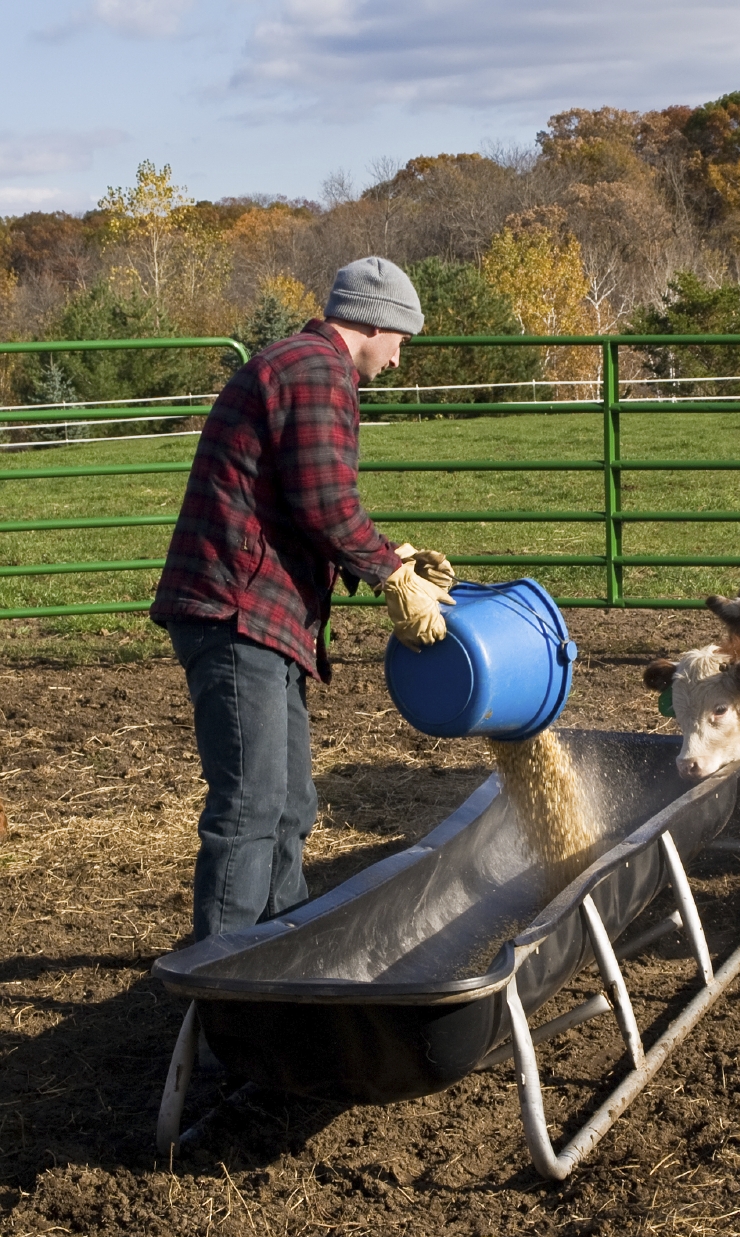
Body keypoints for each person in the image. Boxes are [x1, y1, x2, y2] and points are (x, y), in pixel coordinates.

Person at [151, 256, 454, 943]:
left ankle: (280, 965)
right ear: (374, 321)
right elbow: (325, 502)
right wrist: (388, 575)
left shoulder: (301, 366)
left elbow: (302, 500)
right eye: (402, 339)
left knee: (289, 806)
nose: (401, 359)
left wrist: (389, 556)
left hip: (258, 613)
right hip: (237, 612)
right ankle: (221, 993)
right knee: (253, 805)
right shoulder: (316, 371)